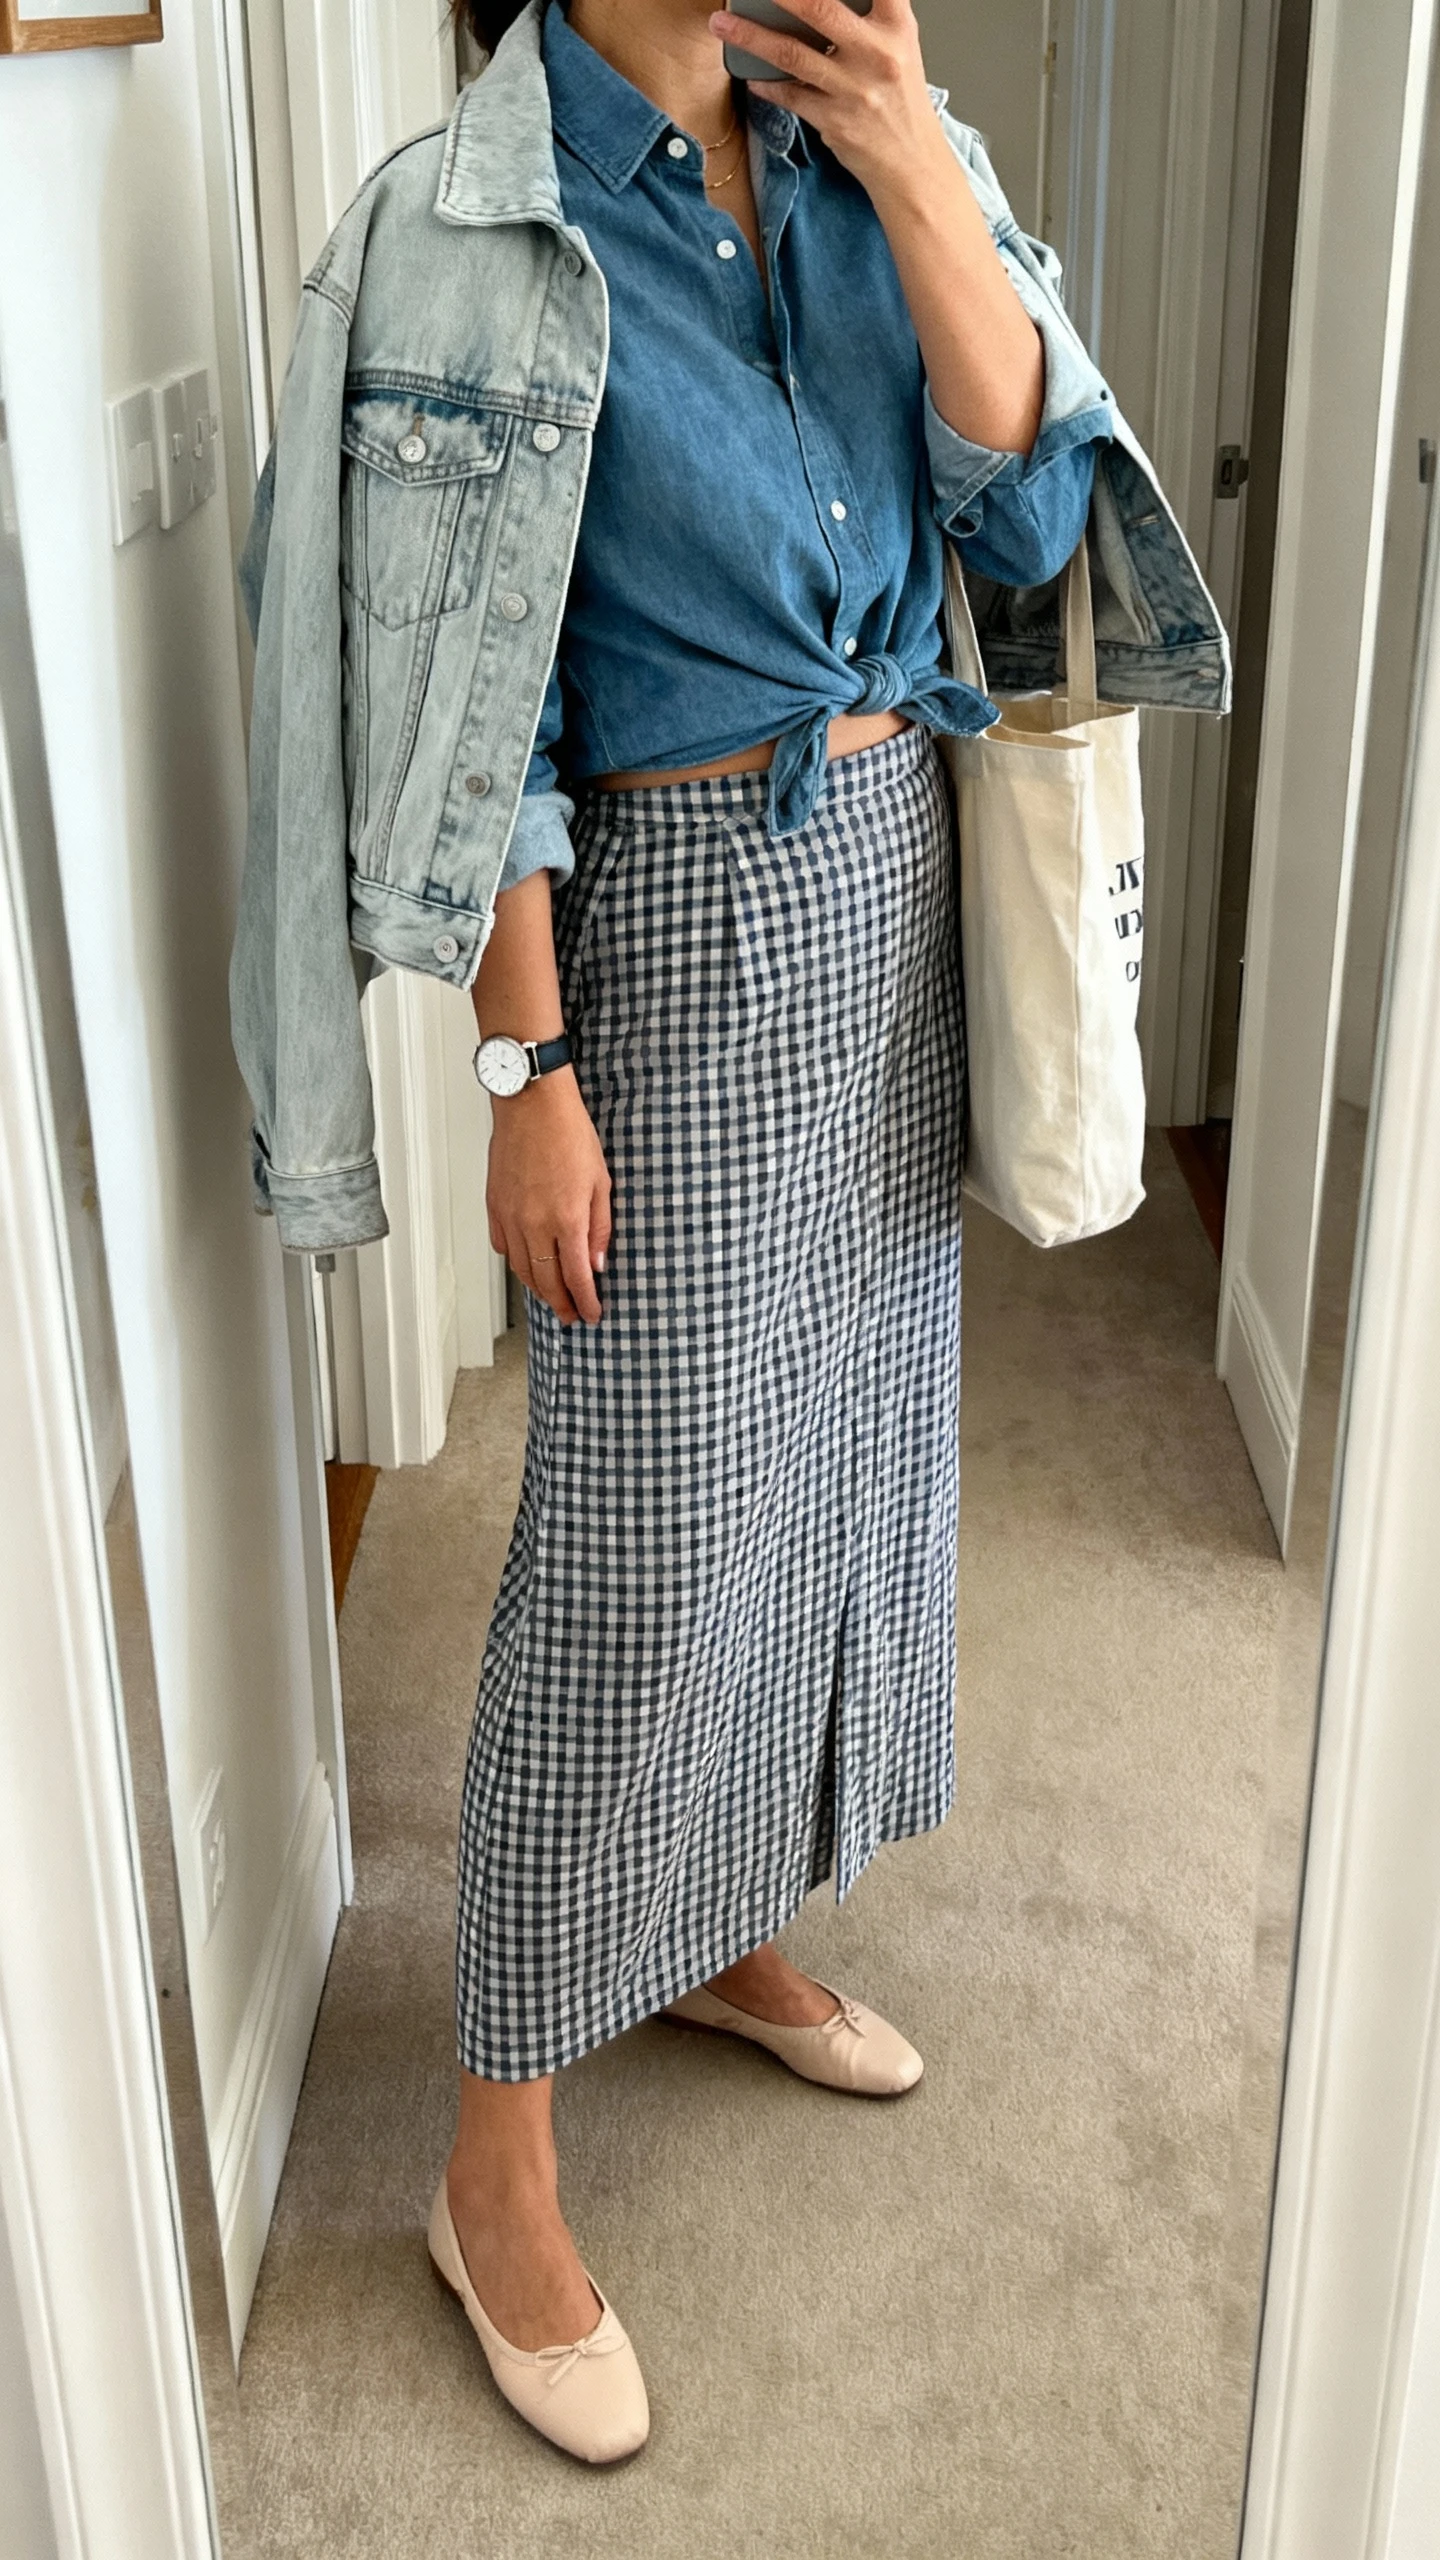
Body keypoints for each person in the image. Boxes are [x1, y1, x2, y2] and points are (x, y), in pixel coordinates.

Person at [231, 0, 1228, 2466]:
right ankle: (493, 2155)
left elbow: (1022, 516)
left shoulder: (877, 137)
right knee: (641, 1540)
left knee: (847, 1457)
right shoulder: (475, 230)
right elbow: (490, 714)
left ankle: (713, 1924)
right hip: (662, 930)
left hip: (895, 880)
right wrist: (524, 1069)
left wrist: (904, 153)